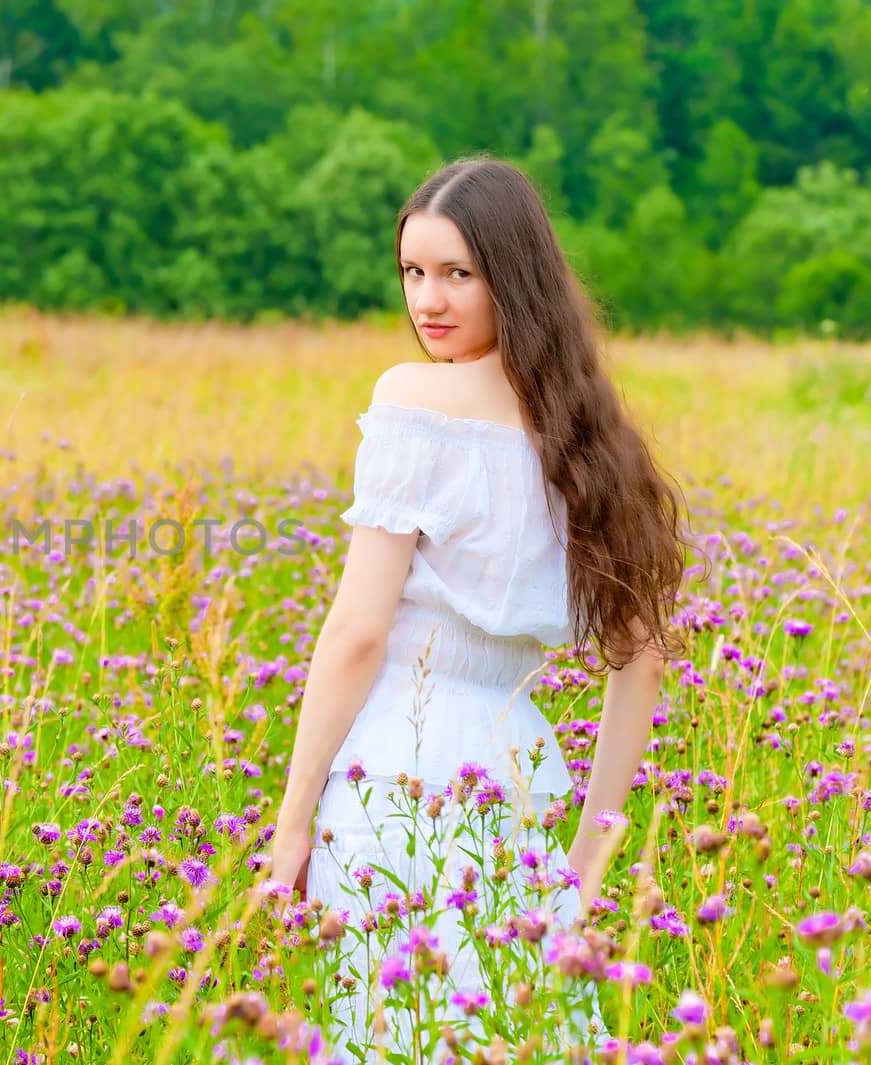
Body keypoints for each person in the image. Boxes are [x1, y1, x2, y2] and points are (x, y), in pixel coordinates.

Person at [266, 157, 691, 1061]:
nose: (430, 300)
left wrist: (293, 817)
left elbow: (356, 634)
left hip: (397, 769)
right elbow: (641, 654)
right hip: (517, 769)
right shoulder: (586, 429)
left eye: (459, 273)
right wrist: (589, 856)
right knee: (511, 1031)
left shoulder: (412, 399)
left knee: (389, 1032)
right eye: (413, 272)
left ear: (514, 275)